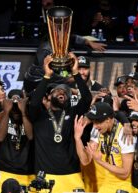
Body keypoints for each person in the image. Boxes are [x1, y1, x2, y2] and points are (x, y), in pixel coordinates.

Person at [27, 53, 92, 192]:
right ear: (48, 97)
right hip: (44, 177)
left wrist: (75, 72)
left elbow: (86, 99)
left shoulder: (73, 113)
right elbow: (33, 104)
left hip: (72, 175)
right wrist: (46, 76)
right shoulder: (39, 116)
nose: (62, 92)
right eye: (57, 90)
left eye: (65, 91)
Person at [74, 102, 135, 193]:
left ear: (108, 119)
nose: (94, 126)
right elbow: (85, 160)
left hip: (122, 185)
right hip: (105, 184)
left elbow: (125, 173)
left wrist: (100, 161)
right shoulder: (97, 130)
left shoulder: (124, 134)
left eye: (98, 122)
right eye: (93, 121)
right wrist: (77, 138)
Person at [0, 89, 34, 193]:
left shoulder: (29, 116)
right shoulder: (3, 116)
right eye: (13, 104)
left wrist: (23, 112)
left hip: (27, 173)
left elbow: (30, 136)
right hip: (6, 171)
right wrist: (7, 111)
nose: (15, 108)